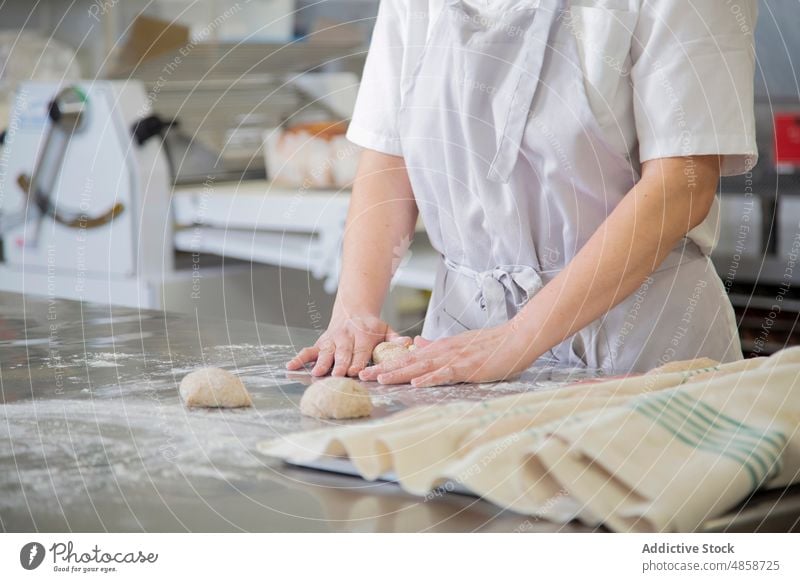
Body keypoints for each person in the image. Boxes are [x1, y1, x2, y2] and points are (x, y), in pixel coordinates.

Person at [287, 0, 758, 387]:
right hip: (457, 344)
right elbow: (389, 155)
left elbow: (681, 185)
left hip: (638, 349)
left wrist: (517, 339)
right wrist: (355, 313)